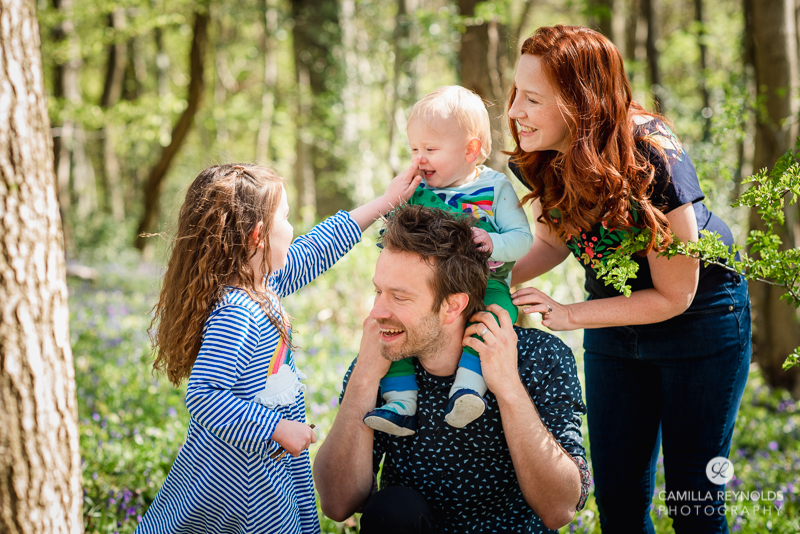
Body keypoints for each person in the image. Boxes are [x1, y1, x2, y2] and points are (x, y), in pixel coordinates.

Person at [506, 25, 751, 533]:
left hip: (701, 322)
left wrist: (570, 314)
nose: (513, 111)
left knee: (693, 501)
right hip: (614, 323)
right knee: (618, 502)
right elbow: (554, 241)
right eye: (515, 93)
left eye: (531, 99)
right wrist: (480, 275)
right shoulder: (543, 151)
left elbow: (676, 293)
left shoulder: (651, 153)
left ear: (580, 102)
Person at [135, 162, 420, 534]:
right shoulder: (238, 312)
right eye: (285, 218)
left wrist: (383, 203)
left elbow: (316, 249)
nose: (292, 228)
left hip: (265, 460)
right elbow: (205, 395)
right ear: (258, 236)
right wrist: (276, 427)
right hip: (244, 479)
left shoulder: (262, 285)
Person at [314, 205, 591, 534]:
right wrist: (364, 377)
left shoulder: (539, 356)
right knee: (393, 509)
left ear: (453, 305)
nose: (377, 312)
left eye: (399, 297)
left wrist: (508, 387)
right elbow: (337, 503)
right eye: (378, 291)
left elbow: (559, 509)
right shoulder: (385, 358)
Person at [364, 86, 533, 435]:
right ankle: (400, 401)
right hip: (428, 292)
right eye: (414, 149)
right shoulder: (418, 190)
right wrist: (393, 203)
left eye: (430, 150)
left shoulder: (494, 188)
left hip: (488, 284)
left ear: (470, 150)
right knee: (393, 323)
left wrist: (494, 242)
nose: (419, 159)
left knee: (495, 318)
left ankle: (468, 387)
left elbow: (522, 239)